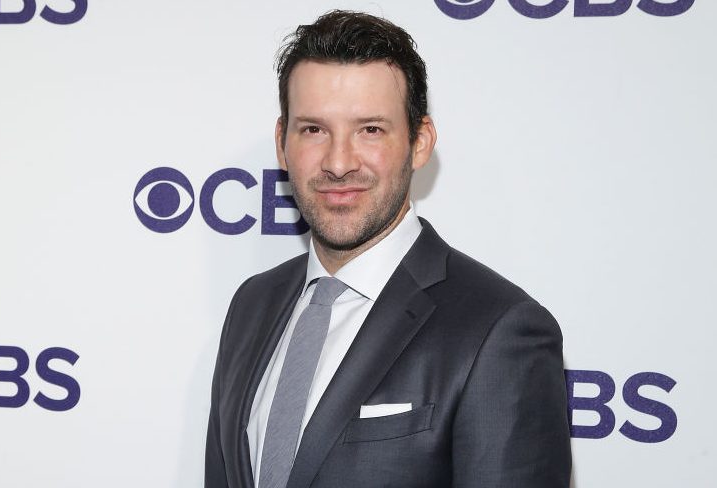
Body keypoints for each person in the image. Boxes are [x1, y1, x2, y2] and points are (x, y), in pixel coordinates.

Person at [205, 10, 571, 488]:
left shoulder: (499, 331)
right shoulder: (253, 304)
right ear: (282, 142)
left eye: (370, 130)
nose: (339, 162)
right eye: (314, 129)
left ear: (420, 142)